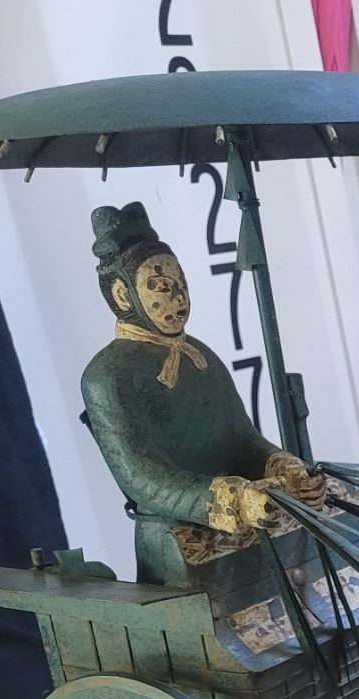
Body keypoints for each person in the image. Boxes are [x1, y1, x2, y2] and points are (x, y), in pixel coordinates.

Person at [79, 201, 326, 584]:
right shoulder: (105, 377)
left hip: (248, 528)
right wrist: (231, 498)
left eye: (181, 284)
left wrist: (284, 467)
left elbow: (240, 439)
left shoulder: (201, 356)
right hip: (176, 543)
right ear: (123, 295)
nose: (179, 298)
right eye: (163, 288)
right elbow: (140, 477)